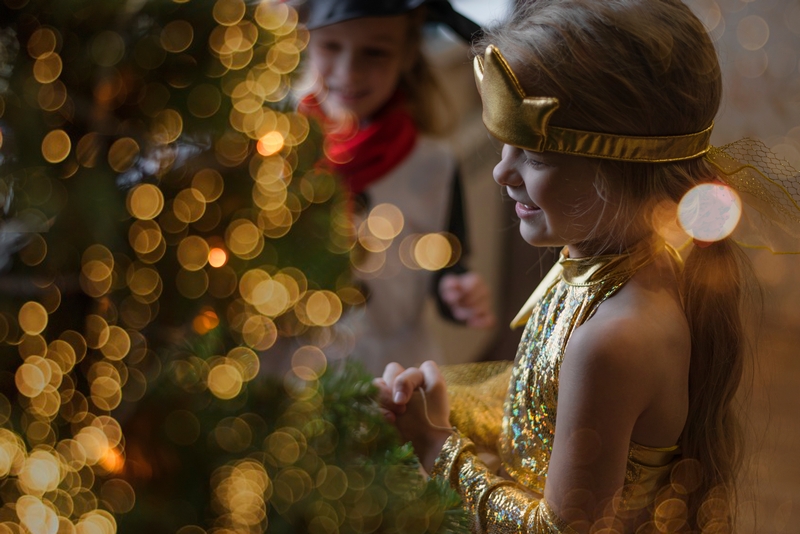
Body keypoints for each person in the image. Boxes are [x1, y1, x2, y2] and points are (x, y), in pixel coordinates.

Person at [374, 0, 800, 531]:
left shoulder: (616, 338)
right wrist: (441, 393)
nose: (502, 172)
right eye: (504, 146)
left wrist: (436, 444)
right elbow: (539, 402)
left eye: (536, 156)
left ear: (620, 164)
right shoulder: (610, 259)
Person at [298, 0, 496, 375]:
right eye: (330, 47)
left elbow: (446, 265)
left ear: (406, 55)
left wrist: (458, 291)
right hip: (298, 381)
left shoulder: (434, 164)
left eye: (374, 52)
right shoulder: (279, 151)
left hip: (396, 375)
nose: (347, 72)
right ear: (307, 42)